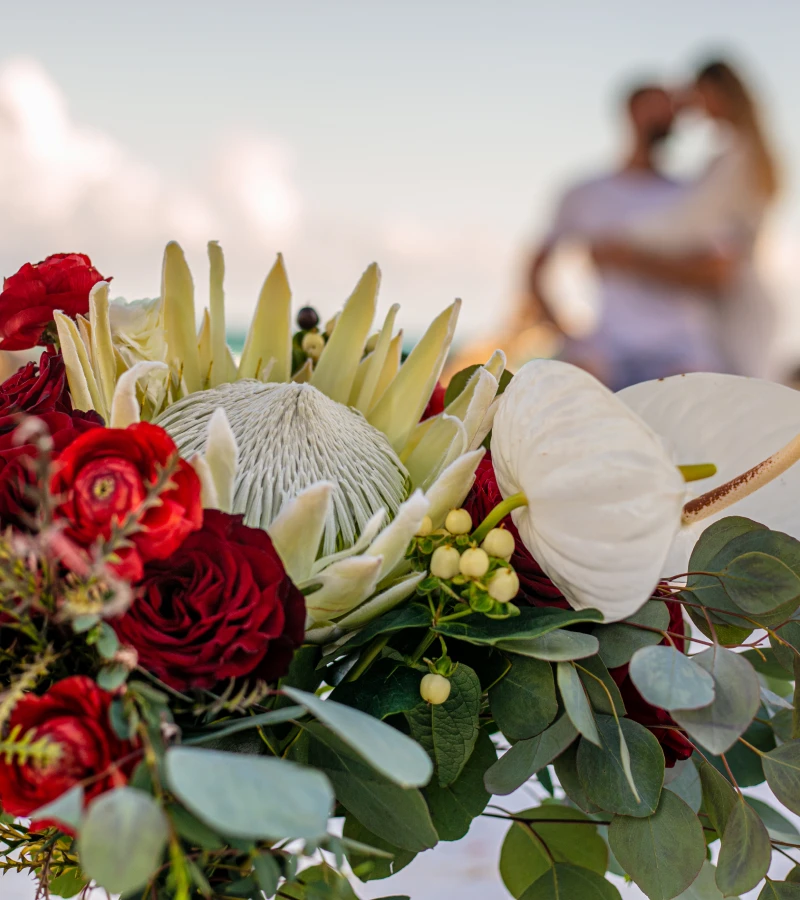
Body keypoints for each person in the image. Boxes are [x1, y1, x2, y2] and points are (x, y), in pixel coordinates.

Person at [526, 82, 732, 391]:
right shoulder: (584, 192)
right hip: (610, 351)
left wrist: (630, 259)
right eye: (657, 106)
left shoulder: (693, 196)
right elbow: (535, 269)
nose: (668, 117)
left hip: (682, 351)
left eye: (672, 110)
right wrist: (564, 335)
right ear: (631, 111)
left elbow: (719, 272)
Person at [594, 59, 781, 379]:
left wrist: (624, 240)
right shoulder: (744, 154)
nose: (695, 105)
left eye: (700, 95)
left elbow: (690, 221)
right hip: (736, 301)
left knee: (739, 410)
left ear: (717, 93)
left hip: (739, 306)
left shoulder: (735, 159)